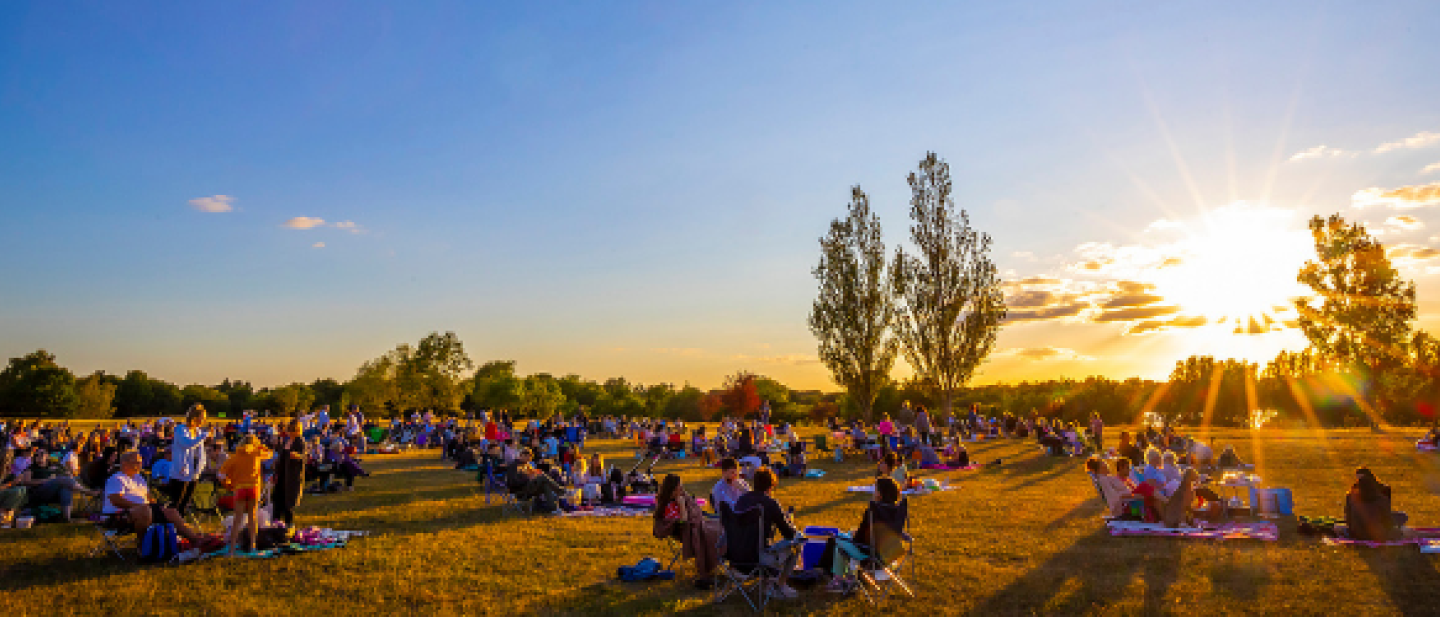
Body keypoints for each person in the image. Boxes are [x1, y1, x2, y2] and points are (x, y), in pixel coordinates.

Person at [819, 476, 903, 592]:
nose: (873, 491)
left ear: (879, 494)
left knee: (838, 538)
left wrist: (853, 535)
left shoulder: (874, 511)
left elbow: (858, 540)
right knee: (845, 539)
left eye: (875, 489)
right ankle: (847, 579)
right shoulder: (897, 511)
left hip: (870, 556)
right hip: (889, 554)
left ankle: (841, 580)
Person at [102, 451, 203, 543]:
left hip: (144, 512)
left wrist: (156, 506)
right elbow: (116, 500)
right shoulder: (116, 478)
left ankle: (194, 539)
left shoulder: (139, 478)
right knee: (144, 510)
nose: (140, 465)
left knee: (171, 511)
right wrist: (139, 507)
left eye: (141, 462)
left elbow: (148, 497)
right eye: (137, 462)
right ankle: (143, 546)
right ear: (124, 463)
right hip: (117, 516)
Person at [732, 468, 801, 599]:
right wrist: (788, 521)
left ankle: (768, 582)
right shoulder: (770, 503)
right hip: (757, 560)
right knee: (797, 544)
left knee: (762, 542)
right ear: (770, 487)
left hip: (734, 558)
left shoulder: (742, 500)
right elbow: (789, 535)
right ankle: (779, 585)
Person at [653, 474, 722, 589]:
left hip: (699, 523)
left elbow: (694, 509)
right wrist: (681, 505)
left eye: (681, 487)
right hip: (687, 531)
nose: (682, 490)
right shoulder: (668, 506)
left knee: (722, 527)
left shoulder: (680, 496)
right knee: (713, 534)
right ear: (672, 490)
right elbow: (683, 522)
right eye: (679, 488)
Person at [219, 435, 272, 554]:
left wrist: (228, 484)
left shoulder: (235, 457)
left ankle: (232, 549)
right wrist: (260, 445)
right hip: (254, 488)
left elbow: (221, 474)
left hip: (239, 488)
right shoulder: (256, 454)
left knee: (237, 519)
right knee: (252, 518)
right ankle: (253, 546)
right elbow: (269, 453)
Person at [167, 404, 209, 516]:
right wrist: (203, 437)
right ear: (195, 417)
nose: (204, 420)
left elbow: (200, 451)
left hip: (194, 471)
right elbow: (186, 443)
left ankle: (181, 526)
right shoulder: (181, 429)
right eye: (202, 417)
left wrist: (201, 466)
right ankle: (172, 527)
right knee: (177, 502)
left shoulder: (198, 431)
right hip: (181, 471)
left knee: (186, 502)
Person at [1345, 467, 1406, 541]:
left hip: (1357, 534)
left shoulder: (1351, 496)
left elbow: (1348, 518)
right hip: (1378, 534)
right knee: (1401, 523)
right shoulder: (1382, 499)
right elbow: (1387, 520)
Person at [271, 420, 307, 531]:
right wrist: (276, 470)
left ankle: (288, 525)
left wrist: (298, 456)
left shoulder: (300, 442)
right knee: (277, 498)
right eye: (289, 429)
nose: (290, 432)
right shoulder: (287, 441)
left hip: (292, 476)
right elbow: (281, 457)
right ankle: (275, 524)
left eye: (292, 430)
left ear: (297, 430)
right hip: (282, 475)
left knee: (289, 501)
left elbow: (304, 457)